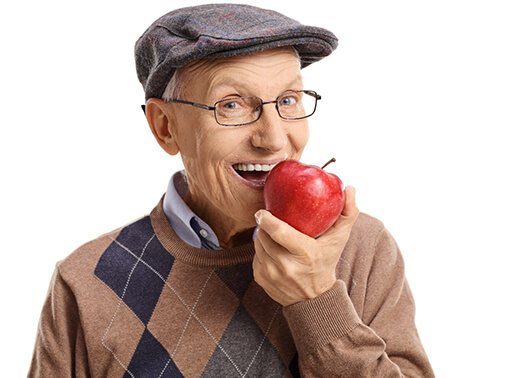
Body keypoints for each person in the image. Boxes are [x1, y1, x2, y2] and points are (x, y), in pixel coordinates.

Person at [28, 4, 435, 377]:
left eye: (289, 100)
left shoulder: (362, 248)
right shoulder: (88, 280)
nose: (274, 139)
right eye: (232, 105)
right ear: (165, 127)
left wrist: (316, 301)